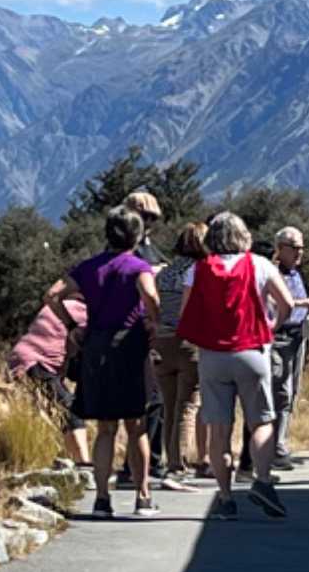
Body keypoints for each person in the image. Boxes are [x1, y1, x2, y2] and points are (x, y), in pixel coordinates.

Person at [178, 211, 302, 520]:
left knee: (219, 428)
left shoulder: (198, 269)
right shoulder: (259, 265)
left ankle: (225, 497)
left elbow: (185, 313)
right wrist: (273, 325)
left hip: (212, 355)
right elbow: (287, 303)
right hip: (252, 350)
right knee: (261, 421)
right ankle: (262, 480)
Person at [45, 205, 160, 518]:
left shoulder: (87, 267)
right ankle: (143, 496)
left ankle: (102, 499)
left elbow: (52, 295)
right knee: (137, 425)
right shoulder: (138, 267)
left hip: (96, 346)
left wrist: (72, 326)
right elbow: (150, 296)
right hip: (130, 345)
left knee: (105, 428)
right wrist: (153, 321)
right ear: (137, 235)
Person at [260, 226, 309, 472]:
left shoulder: (296, 274)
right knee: (280, 391)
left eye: (301, 248)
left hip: (298, 337)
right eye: (294, 248)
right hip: (279, 337)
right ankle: (272, 448)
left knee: (291, 392)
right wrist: (301, 303)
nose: (299, 252)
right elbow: (271, 302)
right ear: (280, 248)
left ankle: (281, 445)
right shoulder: (272, 272)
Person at [151, 221, 208, 487]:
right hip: (188, 341)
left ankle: (169, 459)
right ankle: (178, 465)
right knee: (187, 404)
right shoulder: (200, 272)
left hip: (162, 341)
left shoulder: (164, 273)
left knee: (170, 404)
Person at [7, 294, 90, 466]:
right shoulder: (82, 312)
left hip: (23, 358)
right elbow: (81, 343)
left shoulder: (57, 306)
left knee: (52, 411)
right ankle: (84, 463)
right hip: (37, 362)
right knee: (70, 408)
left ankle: (69, 459)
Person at [118, 189, 166, 487]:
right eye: (144, 217)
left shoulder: (148, 247)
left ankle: (148, 463)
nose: (148, 223)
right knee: (147, 401)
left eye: (152, 218)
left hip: (149, 329)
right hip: (135, 327)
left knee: (153, 402)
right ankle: (141, 467)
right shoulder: (129, 251)